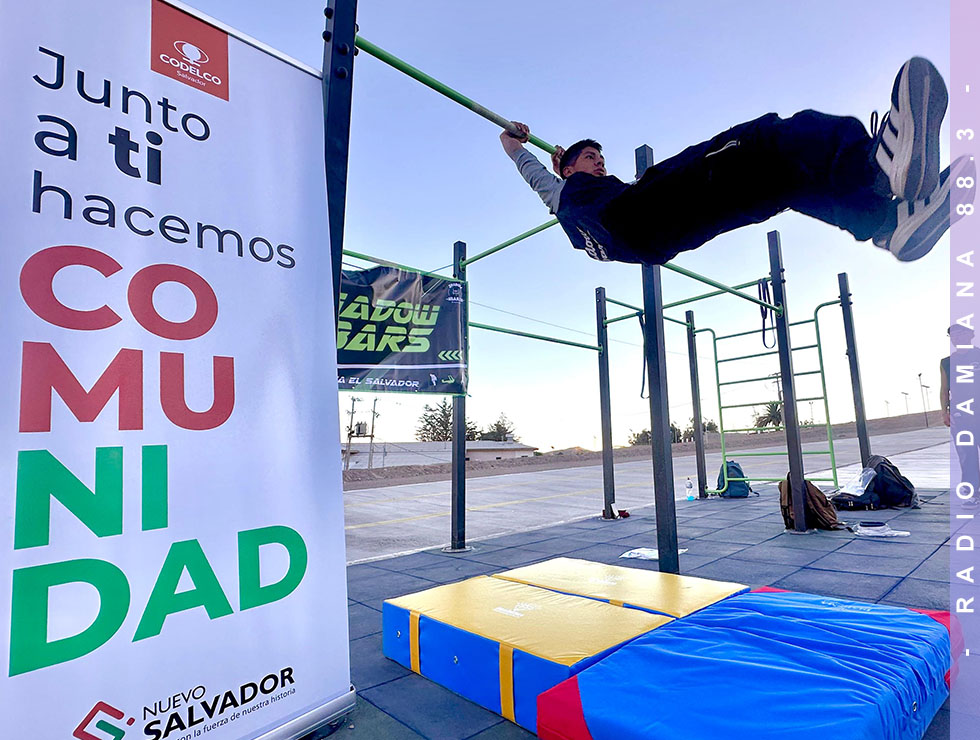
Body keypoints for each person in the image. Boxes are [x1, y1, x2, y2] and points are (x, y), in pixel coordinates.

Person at [500, 57, 974, 265]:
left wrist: (564, 160)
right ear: (566, 168)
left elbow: (558, 181)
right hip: (646, 210)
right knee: (762, 141)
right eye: (590, 157)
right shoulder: (563, 192)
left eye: (601, 157)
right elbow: (533, 172)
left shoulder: (576, 211)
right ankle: (877, 165)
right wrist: (517, 143)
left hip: (663, 239)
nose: (600, 163)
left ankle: (888, 221)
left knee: (778, 183)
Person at [942, 324, 980, 506]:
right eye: (952, 335)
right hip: (961, 416)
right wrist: (945, 412)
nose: (956, 337)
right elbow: (944, 390)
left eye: (960, 333)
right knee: (967, 454)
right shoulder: (946, 362)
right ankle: (973, 491)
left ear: (971, 335)